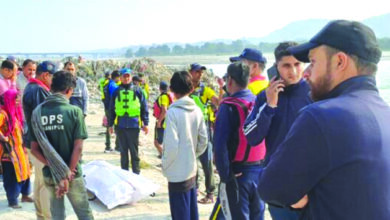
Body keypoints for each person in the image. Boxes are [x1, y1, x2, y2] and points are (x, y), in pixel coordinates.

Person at [257, 20, 389, 220]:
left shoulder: (321, 116)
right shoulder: (384, 112)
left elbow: (270, 189)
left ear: (339, 61)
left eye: (313, 61)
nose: (306, 72)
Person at [243, 41, 312, 220]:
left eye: (297, 64)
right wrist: (270, 105)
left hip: (311, 186)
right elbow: (252, 137)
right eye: (287, 66)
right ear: (276, 67)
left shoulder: (315, 93)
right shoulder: (264, 96)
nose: (294, 71)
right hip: (278, 184)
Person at [30, 71, 93, 220]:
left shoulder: (37, 112)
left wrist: (54, 167)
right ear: (69, 90)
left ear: (52, 88)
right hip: (73, 174)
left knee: (57, 214)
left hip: (50, 174)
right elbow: (78, 147)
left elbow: (34, 149)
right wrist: (67, 173)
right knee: (84, 213)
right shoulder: (74, 112)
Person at [210, 63, 265, 220]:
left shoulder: (228, 107)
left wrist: (226, 176)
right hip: (259, 170)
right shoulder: (257, 101)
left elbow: (220, 146)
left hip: (238, 173)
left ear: (230, 80)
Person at [162, 70, 208, 220]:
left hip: (176, 173)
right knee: (191, 211)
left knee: (180, 213)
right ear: (191, 89)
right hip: (191, 169)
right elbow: (203, 141)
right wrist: (192, 155)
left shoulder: (173, 112)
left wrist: (166, 166)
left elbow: (171, 146)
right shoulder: (197, 110)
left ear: (172, 90)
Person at [23, 60, 56, 220]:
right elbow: (44, 120)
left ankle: (40, 216)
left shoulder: (31, 87)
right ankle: (47, 217)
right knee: (46, 184)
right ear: (45, 75)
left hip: (31, 141)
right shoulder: (39, 90)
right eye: (52, 77)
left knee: (39, 182)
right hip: (39, 143)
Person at [108, 68, 149, 174]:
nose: (126, 78)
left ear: (130, 77)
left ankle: (136, 175)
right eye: (124, 76)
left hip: (134, 126)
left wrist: (146, 123)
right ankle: (124, 175)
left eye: (128, 76)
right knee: (123, 153)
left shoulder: (138, 90)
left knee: (134, 153)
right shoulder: (116, 92)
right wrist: (110, 124)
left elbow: (144, 107)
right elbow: (111, 109)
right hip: (120, 126)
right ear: (120, 78)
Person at [189, 63, 217, 204]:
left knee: (206, 162)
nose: (199, 74)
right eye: (197, 72)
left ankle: (210, 193)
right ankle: (194, 189)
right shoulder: (185, 89)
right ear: (190, 72)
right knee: (191, 161)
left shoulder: (205, 90)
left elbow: (216, 101)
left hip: (203, 130)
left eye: (201, 72)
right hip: (188, 129)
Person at [0, 89, 33, 208]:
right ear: (9, 100)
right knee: (12, 177)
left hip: (20, 152)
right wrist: (3, 137)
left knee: (26, 172)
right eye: (15, 99)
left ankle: (25, 195)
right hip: (9, 153)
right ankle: (12, 200)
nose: (18, 102)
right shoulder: (3, 114)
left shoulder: (15, 114)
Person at [102, 70, 121, 153]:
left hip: (107, 107)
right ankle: (117, 147)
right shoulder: (113, 86)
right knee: (116, 126)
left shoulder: (107, 84)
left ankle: (108, 146)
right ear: (116, 77)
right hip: (112, 108)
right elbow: (116, 98)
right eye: (119, 77)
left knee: (108, 126)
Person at [153, 81, 173, 158]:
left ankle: (165, 158)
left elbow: (164, 110)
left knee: (157, 142)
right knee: (162, 142)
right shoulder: (168, 96)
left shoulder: (163, 97)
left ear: (160, 88)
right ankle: (163, 156)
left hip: (162, 122)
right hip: (167, 121)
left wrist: (159, 122)